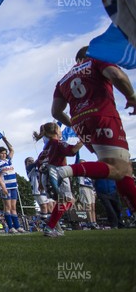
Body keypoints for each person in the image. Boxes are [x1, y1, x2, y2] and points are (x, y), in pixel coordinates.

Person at [49, 46, 136, 214]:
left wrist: (73, 124)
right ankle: (66, 171)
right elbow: (116, 75)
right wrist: (131, 97)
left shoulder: (63, 80)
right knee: (120, 168)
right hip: (103, 116)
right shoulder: (96, 60)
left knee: (120, 170)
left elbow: (56, 111)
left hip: (81, 122)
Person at [34, 122, 83, 237]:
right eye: (59, 129)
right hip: (59, 174)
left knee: (63, 202)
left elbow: (39, 165)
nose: (61, 131)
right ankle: (50, 225)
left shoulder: (46, 148)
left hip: (47, 177)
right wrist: (84, 140)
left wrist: (41, 182)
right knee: (67, 201)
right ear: (56, 131)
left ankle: (54, 225)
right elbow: (72, 151)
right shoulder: (58, 143)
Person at [0, 137, 24, 234]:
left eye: (5, 153)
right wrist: (3, 187)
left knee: (14, 207)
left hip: (14, 186)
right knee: (7, 207)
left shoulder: (8, 161)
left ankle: (17, 226)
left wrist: (5, 140)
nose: (4, 154)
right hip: (6, 187)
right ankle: (10, 227)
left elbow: (12, 149)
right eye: (2, 153)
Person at [25, 156, 54, 229]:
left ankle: (53, 224)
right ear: (26, 163)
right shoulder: (29, 168)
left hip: (45, 189)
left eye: (32, 160)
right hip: (37, 190)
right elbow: (37, 162)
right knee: (44, 207)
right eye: (29, 161)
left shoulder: (38, 168)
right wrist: (42, 156)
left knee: (50, 207)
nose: (31, 161)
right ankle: (45, 226)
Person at [75, 160, 99, 229]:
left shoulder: (89, 172)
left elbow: (93, 181)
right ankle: (90, 222)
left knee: (93, 206)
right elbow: (77, 161)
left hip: (91, 188)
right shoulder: (79, 170)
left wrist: (94, 191)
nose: (84, 164)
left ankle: (94, 222)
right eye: (82, 162)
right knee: (88, 206)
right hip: (84, 187)